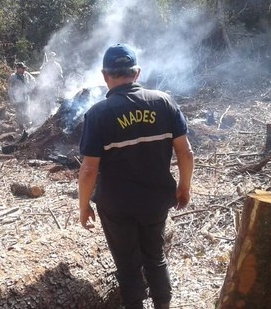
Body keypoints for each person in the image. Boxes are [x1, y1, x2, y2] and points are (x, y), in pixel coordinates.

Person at [78, 44, 194, 309]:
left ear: (105, 76)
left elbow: (88, 170)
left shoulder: (98, 114)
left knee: (127, 263)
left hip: (116, 205)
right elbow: (185, 153)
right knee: (155, 256)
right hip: (155, 199)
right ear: (137, 73)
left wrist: (83, 206)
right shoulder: (164, 102)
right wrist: (184, 187)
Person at [7, 62, 36, 129]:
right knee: (19, 112)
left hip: (25, 97)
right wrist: (12, 99)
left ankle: (28, 126)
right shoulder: (13, 77)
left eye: (24, 68)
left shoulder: (27, 75)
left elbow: (34, 81)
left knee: (27, 111)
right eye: (22, 68)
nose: (23, 70)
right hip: (17, 98)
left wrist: (30, 89)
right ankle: (21, 127)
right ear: (18, 69)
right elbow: (10, 89)